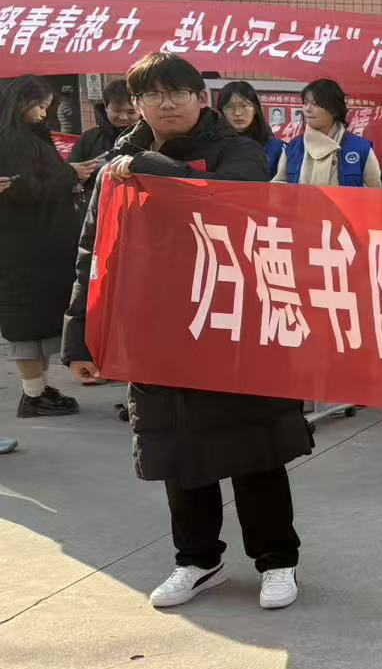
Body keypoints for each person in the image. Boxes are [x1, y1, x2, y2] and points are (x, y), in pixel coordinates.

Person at [63, 53, 312, 610]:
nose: (167, 103)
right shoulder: (118, 166)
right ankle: (198, 560)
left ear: (202, 98)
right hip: (160, 329)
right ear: (137, 104)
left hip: (233, 321)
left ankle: (277, 559)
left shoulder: (237, 150)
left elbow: (234, 198)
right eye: (153, 95)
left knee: (254, 448)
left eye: (178, 92)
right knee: (179, 450)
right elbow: (93, 253)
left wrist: (156, 168)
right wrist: (80, 338)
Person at [0, 77, 82, 419]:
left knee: (40, 320)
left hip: (40, 246)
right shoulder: (12, 140)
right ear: (21, 103)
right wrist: (70, 173)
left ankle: (40, 388)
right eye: (40, 105)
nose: (44, 113)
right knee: (25, 323)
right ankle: (32, 395)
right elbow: (27, 189)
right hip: (22, 249)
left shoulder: (30, 135)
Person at [273, 78, 381, 188]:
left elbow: (374, 192)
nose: (307, 109)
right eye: (305, 103)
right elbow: (279, 187)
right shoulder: (293, 148)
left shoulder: (361, 148)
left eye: (315, 104)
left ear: (334, 109)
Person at [68, 78, 137, 169]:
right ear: (106, 107)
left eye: (131, 112)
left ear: (140, 109)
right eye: (116, 111)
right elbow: (72, 168)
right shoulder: (89, 137)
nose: (123, 117)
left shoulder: (151, 136)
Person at [218, 81, 285, 174]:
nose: (237, 113)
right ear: (221, 111)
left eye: (244, 106)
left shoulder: (275, 147)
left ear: (255, 109)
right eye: (229, 107)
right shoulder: (211, 145)